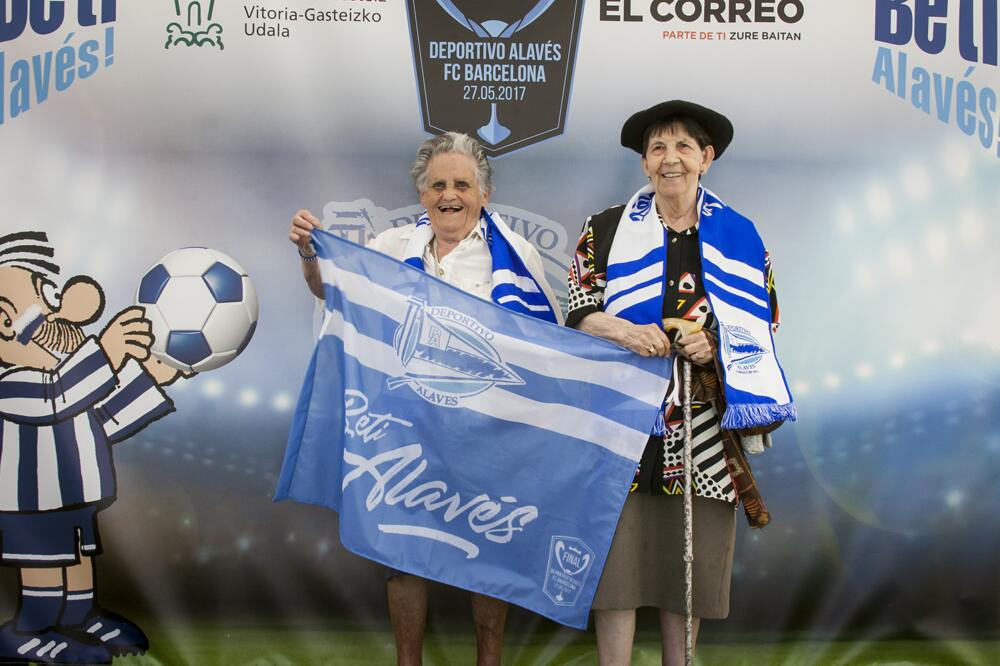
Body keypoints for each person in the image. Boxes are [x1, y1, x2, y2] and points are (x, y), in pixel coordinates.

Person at [288, 132, 562, 666]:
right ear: (422, 195)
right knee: (402, 552)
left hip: (487, 434)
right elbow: (332, 291)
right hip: (405, 428)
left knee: (489, 557)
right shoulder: (390, 248)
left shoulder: (517, 256)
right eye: (438, 185)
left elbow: (547, 348)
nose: (449, 195)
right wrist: (308, 253)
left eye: (462, 184)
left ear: (484, 194)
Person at [565, 101, 794, 665]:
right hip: (621, 415)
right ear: (644, 164)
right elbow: (577, 308)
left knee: (686, 560)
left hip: (701, 422)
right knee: (617, 559)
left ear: (706, 158)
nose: (671, 159)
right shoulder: (607, 228)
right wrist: (622, 330)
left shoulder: (739, 235)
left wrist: (712, 344)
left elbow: (765, 317)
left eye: (683, 147)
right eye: (658, 148)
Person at [0, 231, 181, 664]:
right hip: (32, 503)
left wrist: (150, 378)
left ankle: (79, 619)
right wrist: (107, 351)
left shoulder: (66, 381)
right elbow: (55, 397)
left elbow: (101, 419)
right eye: (44, 299)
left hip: (72, 496)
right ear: (6, 322)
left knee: (77, 558)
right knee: (45, 565)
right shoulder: (12, 383)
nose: (60, 312)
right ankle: (30, 630)